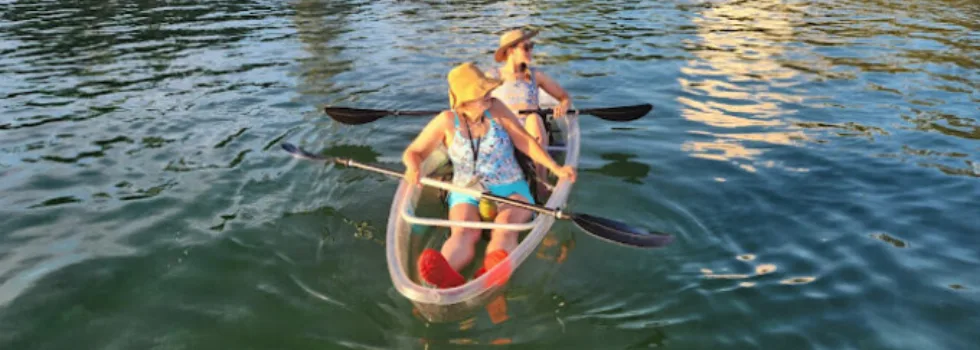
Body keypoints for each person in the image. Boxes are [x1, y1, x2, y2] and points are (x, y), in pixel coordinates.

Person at [402, 62, 576, 289]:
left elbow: (524, 141)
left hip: (510, 184)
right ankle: (446, 277)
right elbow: (414, 152)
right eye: (482, 93)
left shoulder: (496, 109)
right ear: (464, 101)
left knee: (505, 226)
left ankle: (490, 275)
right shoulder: (446, 121)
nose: (489, 94)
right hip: (466, 189)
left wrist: (555, 168)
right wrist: (413, 167)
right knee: (464, 231)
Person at [488, 28, 574, 197]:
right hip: (505, 127)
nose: (531, 51)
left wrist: (563, 106)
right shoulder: (493, 76)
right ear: (511, 51)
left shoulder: (536, 75)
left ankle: (541, 182)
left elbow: (564, 97)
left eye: (531, 46)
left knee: (534, 118)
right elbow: (476, 100)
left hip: (531, 129)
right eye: (526, 47)